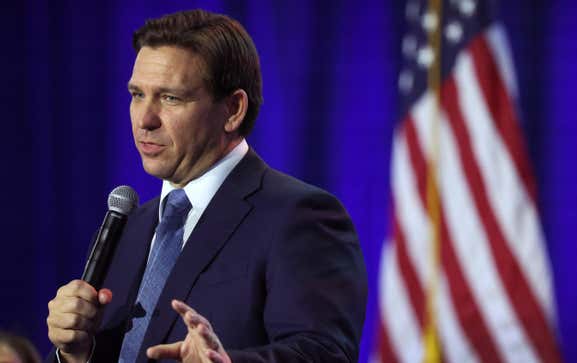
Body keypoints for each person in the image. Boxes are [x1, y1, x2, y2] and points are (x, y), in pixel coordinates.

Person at [44, 9, 367, 363]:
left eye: (170, 98)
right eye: (137, 95)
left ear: (233, 109)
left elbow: (324, 354)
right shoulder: (130, 226)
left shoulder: (298, 217)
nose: (145, 119)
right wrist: (76, 354)